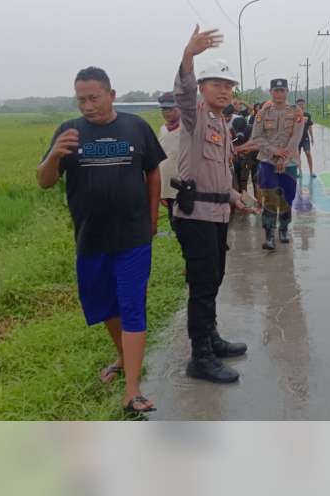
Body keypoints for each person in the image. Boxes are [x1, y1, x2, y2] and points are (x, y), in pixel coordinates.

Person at [37, 66, 166, 414]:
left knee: (131, 305)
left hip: (134, 236)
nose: (88, 105)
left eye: (94, 97)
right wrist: (53, 156)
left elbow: (153, 171)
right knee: (104, 305)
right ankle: (124, 357)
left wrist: (153, 217)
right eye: (81, 99)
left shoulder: (136, 127)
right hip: (91, 238)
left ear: (111, 94)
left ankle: (133, 391)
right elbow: (45, 181)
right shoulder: (69, 132)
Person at [172, 24, 254, 384]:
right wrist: (189, 55)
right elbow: (184, 92)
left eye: (229, 86)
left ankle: (211, 338)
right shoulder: (195, 118)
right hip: (196, 217)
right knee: (203, 285)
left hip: (217, 214)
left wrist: (237, 197)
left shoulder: (222, 123)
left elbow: (218, 175)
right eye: (217, 84)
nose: (224, 90)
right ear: (203, 89)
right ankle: (200, 357)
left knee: (213, 280)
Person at [238, 78, 306, 250]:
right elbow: (257, 137)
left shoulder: (296, 112)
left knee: (286, 198)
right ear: (271, 92)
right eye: (276, 91)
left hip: (289, 163)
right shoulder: (262, 113)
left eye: (282, 90)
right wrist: (274, 152)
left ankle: (283, 229)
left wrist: (283, 159)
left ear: (287, 92)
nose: (279, 94)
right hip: (268, 161)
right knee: (269, 199)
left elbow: (296, 138)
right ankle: (269, 235)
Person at [157, 91, 182, 233]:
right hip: (168, 186)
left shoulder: (187, 129)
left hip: (184, 186)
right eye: (164, 110)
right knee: (173, 221)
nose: (166, 113)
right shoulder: (163, 130)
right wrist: (162, 192)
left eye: (170, 109)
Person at [296, 98, 316, 178]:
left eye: (302, 104)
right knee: (297, 155)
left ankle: (311, 172)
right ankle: (300, 172)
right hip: (297, 139)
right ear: (296, 105)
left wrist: (312, 137)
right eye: (299, 104)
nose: (301, 106)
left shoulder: (307, 115)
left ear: (305, 105)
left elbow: (310, 127)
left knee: (308, 153)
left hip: (305, 138)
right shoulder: (294, 114)